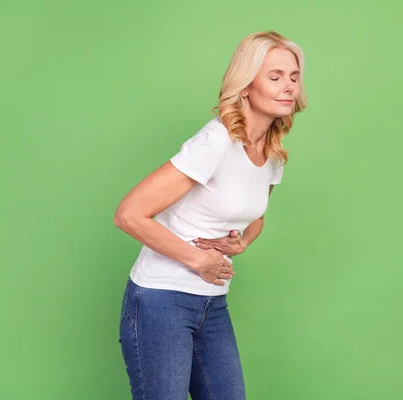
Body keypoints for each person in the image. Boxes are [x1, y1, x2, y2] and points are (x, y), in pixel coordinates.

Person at [113, 30, 308, 400]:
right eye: (275, 76)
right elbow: (129, 214)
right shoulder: (215, 142)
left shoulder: (271, 153)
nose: (289, 87)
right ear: (246, 85)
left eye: (294, 77)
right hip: (160, 300)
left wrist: (241, 242)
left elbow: (255, 217)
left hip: (212, 303)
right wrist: (200, 260)